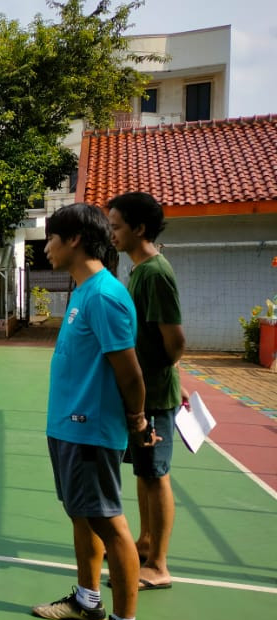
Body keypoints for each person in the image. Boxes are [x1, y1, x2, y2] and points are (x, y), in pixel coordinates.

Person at [30, 203, 155, 620]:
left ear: (75, 239)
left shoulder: (103, 295)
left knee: (107, 520)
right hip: (67, 426)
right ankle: (87, 601)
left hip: (90, 428)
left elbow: (130, 373)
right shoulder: (82, 290)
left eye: (51, 238)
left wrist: (139, 421)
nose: (46, 247)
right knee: (82, 514)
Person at [108, 192, 186, 590]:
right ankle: (145, 541)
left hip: (153, 394)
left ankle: (158, 565)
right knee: (144, 472)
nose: (112, 234)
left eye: (117, 226)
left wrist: (167, 376)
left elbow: (174, 342)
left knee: (157, 476)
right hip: (147, 390)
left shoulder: (155, 273)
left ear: (139, 229)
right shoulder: (139, 270)